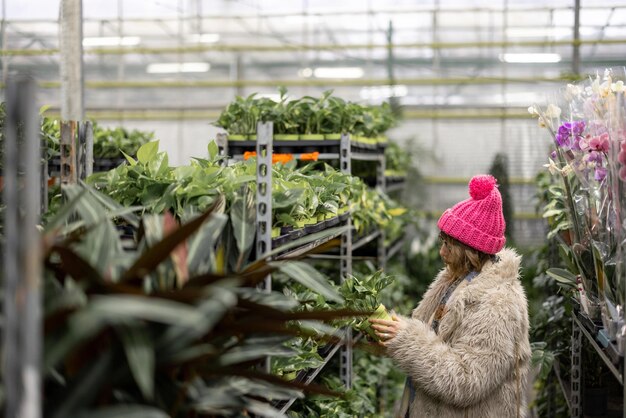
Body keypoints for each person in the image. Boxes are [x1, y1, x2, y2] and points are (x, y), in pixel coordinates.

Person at [371, 174, 531, 418]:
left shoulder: (498, 302)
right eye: (442, 241)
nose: (441, 251)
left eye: (449, 245)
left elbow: (468, 380)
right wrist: (392, 333)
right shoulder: (457, 280)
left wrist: (408, 339)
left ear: (471, 251)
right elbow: (435, 336)